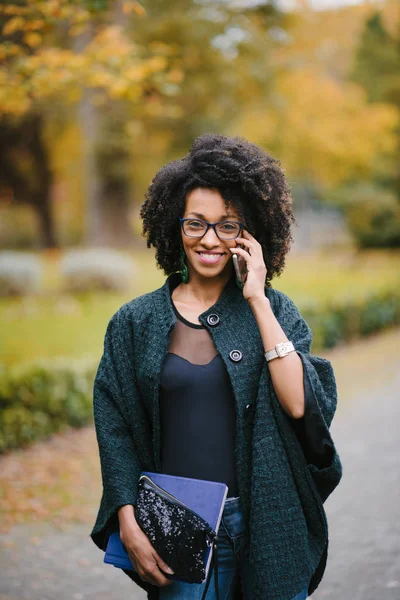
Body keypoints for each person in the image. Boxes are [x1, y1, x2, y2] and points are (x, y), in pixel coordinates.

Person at [90, 134, 342, 600]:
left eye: (227, 226)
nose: (209, 240)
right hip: (177, 530)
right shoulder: (134, 322)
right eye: (196, 225)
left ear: (250, 234)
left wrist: (258, 300)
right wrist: (126, 515)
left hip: (268, 521)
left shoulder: (276, 313)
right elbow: (115, 427)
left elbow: (302, 404)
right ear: (174, 227)